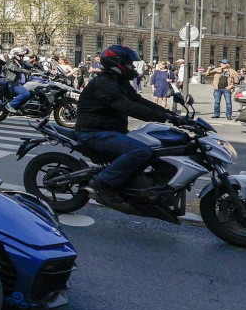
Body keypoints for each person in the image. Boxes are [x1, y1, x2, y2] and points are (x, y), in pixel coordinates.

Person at [74, 45, 184, 210]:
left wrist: (171, 114)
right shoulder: (104, 83)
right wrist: (163, 117)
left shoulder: (118, 81)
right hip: (93, 132)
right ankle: (103, 183)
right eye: (129, 63)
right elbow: (127, 106)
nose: (132, 67)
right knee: (140, 151)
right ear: (117, 63)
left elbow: (138, 101)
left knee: (154, 147)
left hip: (112, 131)